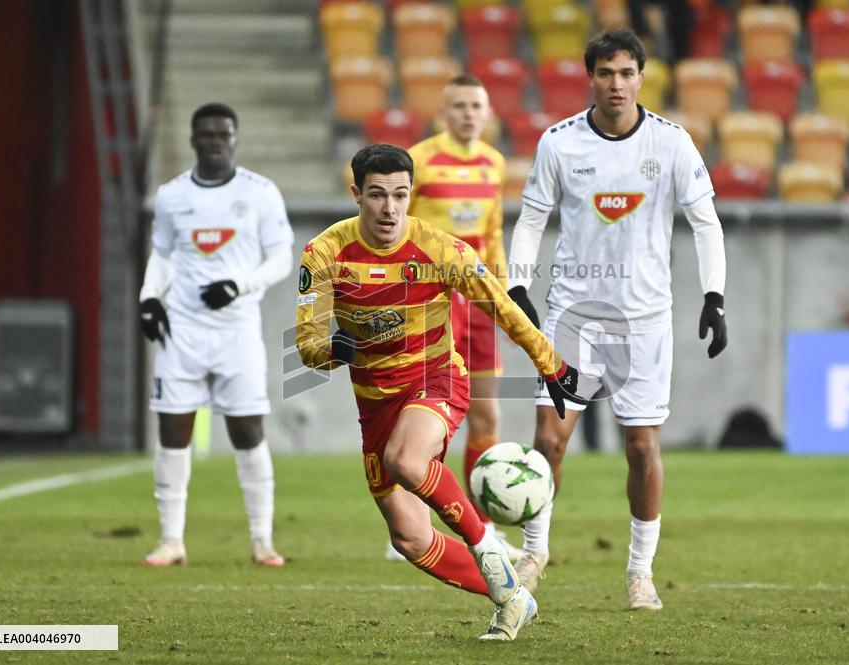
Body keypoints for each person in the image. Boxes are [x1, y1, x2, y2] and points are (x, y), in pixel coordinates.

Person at [295, 144, 585, 641]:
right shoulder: (324, 253)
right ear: (356, 194)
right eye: (377, 195)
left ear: (413, 194)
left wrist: (551, 364)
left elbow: (502, 307)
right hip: (375, 402)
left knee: (406, 460)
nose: (390, 208)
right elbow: (307, 345)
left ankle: (487, 547)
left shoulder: (441, 249)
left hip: (436, 380)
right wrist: (333, 350)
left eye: (400, 195)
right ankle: (513, 597)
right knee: (409, 538)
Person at [504, 29, 728, 611]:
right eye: (606, 73)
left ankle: (639, 571)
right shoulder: (559, 144)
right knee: (549, 439)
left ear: (642, 77)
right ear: (591, 78)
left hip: (644, 319)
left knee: (642, 447)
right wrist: (518, 282)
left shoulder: (672, 143)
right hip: (572, 314)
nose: (617, 84)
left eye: (627, 73)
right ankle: (534, 552)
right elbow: (531, 219)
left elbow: (706, 223)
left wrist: (715, 296)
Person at [138, 102, 294, 568]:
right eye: (205, 134)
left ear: (234, 139)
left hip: (237, 332)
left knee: (247, 431)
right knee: (172, 431)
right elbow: (163, 255)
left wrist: (238, 285)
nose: (214, 142)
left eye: (222, 134)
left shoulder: (261, 193)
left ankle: (262, 541)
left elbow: (281, 259)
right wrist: (149, 298)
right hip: (182, 330)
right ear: (192, 140)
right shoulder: (171, 195)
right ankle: (171, 540)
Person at [382, 74, 516, 561]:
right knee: (424, 413)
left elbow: (493, 233)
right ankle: (410, 525)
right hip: (429, 301)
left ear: (488, 113)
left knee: (486, 412)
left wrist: (502, 294)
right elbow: (395, 228)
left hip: (477, 298)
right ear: (443, 112)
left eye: (476, 106)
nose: (468, 114)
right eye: (458, 105)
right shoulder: (417, 160)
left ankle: (484, 526)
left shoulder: (494, 163)